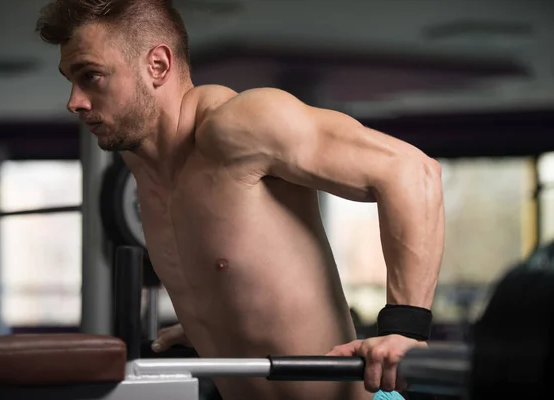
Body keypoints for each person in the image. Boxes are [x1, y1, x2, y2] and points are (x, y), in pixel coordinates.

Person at [36, 1, 444, 399]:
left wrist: (404, 330)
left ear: (157, 65)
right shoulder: (142, 162)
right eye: (69, 80)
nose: (74, 100)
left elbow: (410, 171)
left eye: (90, 76)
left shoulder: (239, 126)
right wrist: (213, 322)